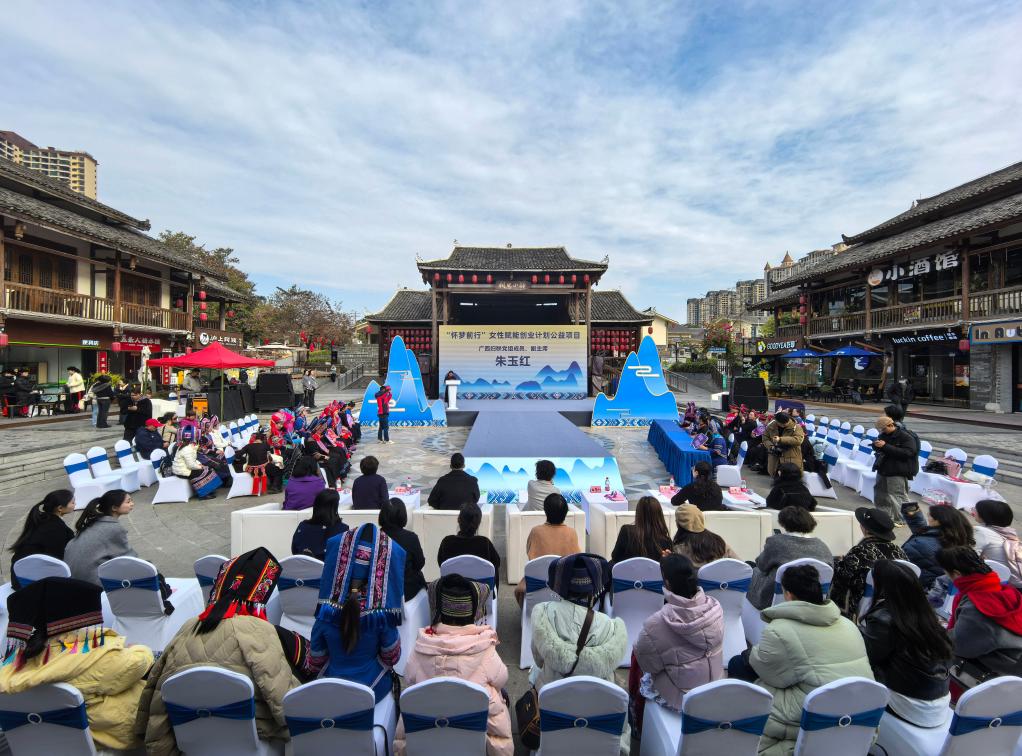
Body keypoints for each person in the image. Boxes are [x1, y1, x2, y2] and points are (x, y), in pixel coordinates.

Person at [136, 548, 308, 752]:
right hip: (250, 741)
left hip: (192, 743)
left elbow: (154, 690)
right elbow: (284, 701)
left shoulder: (187, 628)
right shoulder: (259, 630)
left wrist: (154, 740)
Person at [733, 564, 873, 756]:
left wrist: (751, 654)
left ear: (788, 594)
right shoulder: (848, 624)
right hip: (860, 710)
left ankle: (739, 725)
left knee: (738, 665)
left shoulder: (780, 630)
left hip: (816, 710)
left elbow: (771, 674)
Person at [0, 577, 154, 750]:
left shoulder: (21, 658)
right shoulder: (94, 657)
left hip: (41, 743)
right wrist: (140, 649)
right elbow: (135, 665)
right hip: (103, 738)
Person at [394, 574, 513, 756]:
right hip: (475, 729)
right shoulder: (485, 649)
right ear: (472, 614)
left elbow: (409, 677)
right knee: (497, 695)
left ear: (440, 612)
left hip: (428, 727)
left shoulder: (421, 647)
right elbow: (502, 677)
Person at [530, 554, 631, 751]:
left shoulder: (545, 613)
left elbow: (539, 659)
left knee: (535, 673)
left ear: (560, 586)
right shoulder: (609, 626)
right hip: (601, 704)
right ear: (593, 590)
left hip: (554, 698)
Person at [306, 524, 405, 701]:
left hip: (333, 691)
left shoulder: (326, 613)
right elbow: (392, 657)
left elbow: (315, 662)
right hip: (372, 690)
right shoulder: (380, 616)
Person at [631, 554, 724, 732]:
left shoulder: (656, 624)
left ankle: (638, 724)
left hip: (681, 698)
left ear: (667, 583)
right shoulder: (716, 607)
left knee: (637, 655)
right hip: (714, 686)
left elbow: (649, 666)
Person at [858, 560, 953, 727]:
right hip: (939, 699)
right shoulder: (926, 614)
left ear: (883, 586)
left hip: (908, 703)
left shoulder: (884, 619)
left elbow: (868, 658)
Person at [937, 546, 1022, 683]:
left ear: (957, 574)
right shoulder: (1006, 591)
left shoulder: (979, 605)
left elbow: (958, 645)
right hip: (1013, 664)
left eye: (947, 573)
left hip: (997, 676)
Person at [748, 506, 834, 610]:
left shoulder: (776, 542)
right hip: (814, 599)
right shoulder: (822, 546)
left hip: (771, 600)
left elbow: (761, 565)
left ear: (783, 523)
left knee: (752, 569)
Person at [829, 507, 908, 619]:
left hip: (866, 604)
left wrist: (837, 561)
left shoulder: (859, 551)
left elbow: (843, 576)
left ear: (864, 528)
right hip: (895, 603)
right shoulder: (899, 551)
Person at [514, 493, 582, 607]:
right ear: (565, 513)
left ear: (545, 511)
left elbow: (530, 555)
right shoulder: (571, 533)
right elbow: (577, 559)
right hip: (564, 588)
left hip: (537, 585)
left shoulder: (536, 532)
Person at [63, 490, 137, 586]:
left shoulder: (93, 521)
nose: (132, 504)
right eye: (128, 502)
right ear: (114, 508)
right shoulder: (114, 528)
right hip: (92, 584)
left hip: (72, 579)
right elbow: (129, 559)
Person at [8, 489, 76, 589]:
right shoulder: (57, 528)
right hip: (33, 583)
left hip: (18, 577)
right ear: (60, 508)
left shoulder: (40, 519)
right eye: (72, 502)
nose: (75, 504)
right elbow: (57, 559)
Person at [901, 502, 974, 591]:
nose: (928, 518)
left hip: (917, 588)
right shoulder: (958, 538)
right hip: (939, 587)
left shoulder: (918, 544)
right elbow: (927, 532)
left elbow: (899, 564)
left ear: (938, 521)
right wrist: (914, 516)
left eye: (929, 516)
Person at [872, 415, 918, 527]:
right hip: (883, 468)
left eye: (883, 429)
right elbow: (882, 449)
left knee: (898, 495)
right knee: (881, 494)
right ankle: (884, 516)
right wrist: (876, 446)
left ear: (890, 425)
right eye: (881, 430)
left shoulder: (906, 437)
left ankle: (903, 519)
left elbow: (908, 453)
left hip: (897, 470)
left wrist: (885, 446)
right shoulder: (883, 435)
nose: (882, 432)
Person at [379, 497, 427, 600]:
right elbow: (419, 563)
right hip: (407, 591)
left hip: (380, 591)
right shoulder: (411, 538)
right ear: (402, 515)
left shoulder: (375, 537)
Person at [437, 502, 501, 577]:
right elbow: (496, 564)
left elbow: (441, 564)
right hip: (480, 584)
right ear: (478, 523)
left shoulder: (447, 542)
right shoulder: (485, 543)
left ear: (458, 520)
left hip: (452, 584)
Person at [970, 500, 1022, 589]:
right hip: (1016, 582)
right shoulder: (1010, 533)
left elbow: (968, 557)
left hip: (1003, 584)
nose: (973, 510)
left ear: (984, 515)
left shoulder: (981, 531)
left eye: (975, 509)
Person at [671, 504, 738, 568]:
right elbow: (740, 565)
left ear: (678, 524)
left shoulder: (678, 549)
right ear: (701, 519)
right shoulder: (719, 543)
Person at [612, 495, 672, 564]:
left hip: (627, 571)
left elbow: (615, 557)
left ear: (638, 513)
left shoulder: (626, 531)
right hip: (652, 571)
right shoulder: (666, 541)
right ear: (659, 514)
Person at [291, 489, 349, 560]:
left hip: (302, 565)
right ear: (335, 507)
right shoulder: (342, 530)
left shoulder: (302, 526)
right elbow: (344, 557)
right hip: (328, 566)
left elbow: (294, 551)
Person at [171, 427, 222, 500]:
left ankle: (208, 490)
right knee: (203, 471)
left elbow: (193, 459)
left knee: (207, 469)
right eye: (195, 435)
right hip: (182, 471)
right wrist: (200, 467)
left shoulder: (188, 446)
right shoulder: (187, 449)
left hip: (184, 468)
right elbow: (191, 465)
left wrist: (199, 464)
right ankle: (203, 494)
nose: (197, 436)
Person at [763, 411, 805, 477]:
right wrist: (771, 446)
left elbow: (798, 440)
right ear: (777, 421)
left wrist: (780, 439)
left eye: (785, 424)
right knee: (775, 474)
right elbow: (765, 438)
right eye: (781, 424)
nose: (784, 425)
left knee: (790, 476)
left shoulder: (796, 427)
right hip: (775, 455)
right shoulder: (771, 426)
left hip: (790, 456)